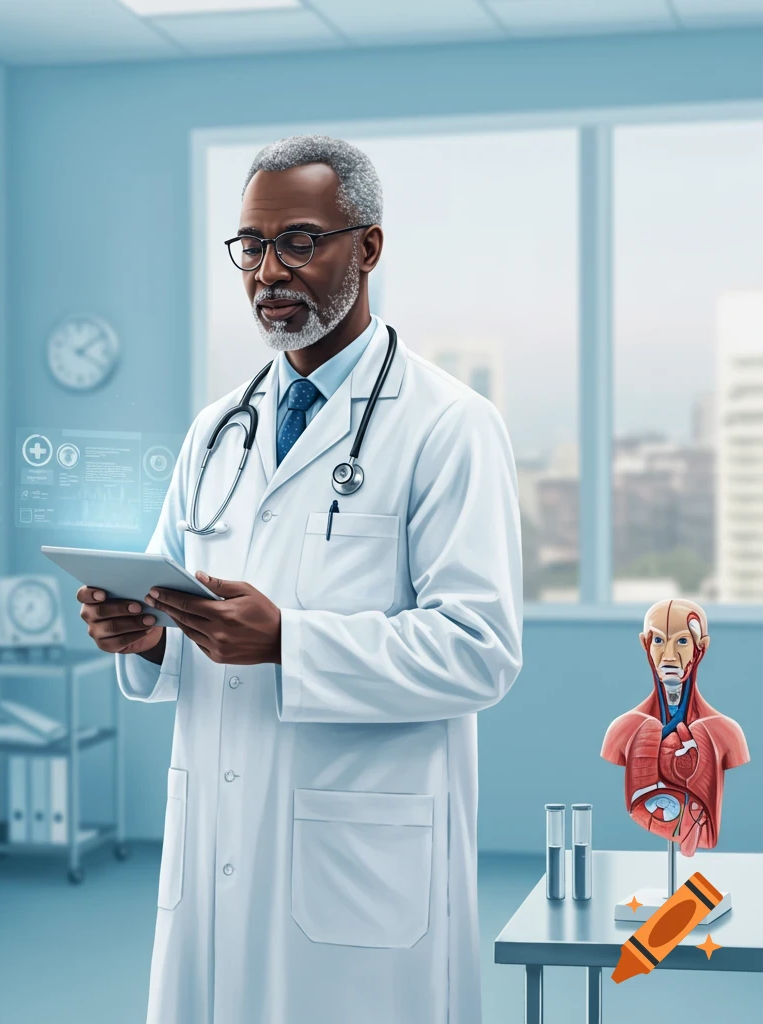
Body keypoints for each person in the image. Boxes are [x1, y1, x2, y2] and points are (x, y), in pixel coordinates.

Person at [77, 135, 523, 1024]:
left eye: (300, 242)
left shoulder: (449, 427)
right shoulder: (217, 430)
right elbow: (177, 605)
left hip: (360, 864)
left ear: (368, 247)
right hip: (216, 838)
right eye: (252, 245)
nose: (269, 271)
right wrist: (147, 634)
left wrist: (289, 641)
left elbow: (481, 653)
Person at [601, 598, 749, 857]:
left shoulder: (726, 734)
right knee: (642, 725)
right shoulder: (623, 730)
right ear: (645, 645)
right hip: (652, 802)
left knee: (706, 731)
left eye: (682, 641)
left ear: (701, 648)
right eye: (658, 640)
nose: (668, 655)